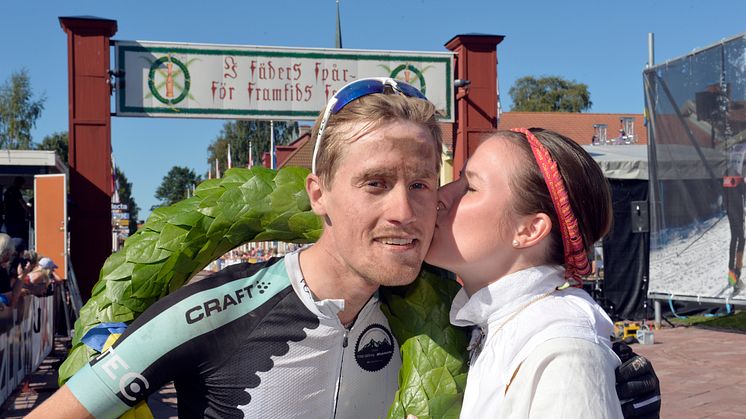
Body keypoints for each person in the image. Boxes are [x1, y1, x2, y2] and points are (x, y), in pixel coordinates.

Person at [29, 79, 658, 418]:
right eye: (375, 183)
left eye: (421, 184)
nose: (408, 211)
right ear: (318, 193)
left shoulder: (455, 322)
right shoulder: (215, 308)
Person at [425, 128, 643, 417]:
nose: (442, 195)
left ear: (529, 230)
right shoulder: (505, 324)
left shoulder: (564, 351)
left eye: (470, 187)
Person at [3, 176, 31, 246]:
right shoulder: (15, 191)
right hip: (16, 218)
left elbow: (5, 204)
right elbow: (22, 203)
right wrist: (28, 211)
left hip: (8, 217)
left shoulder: (8, 191)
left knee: (9, 235)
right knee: (17, 236)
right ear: (20, 183)